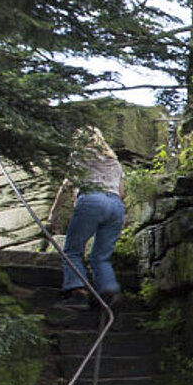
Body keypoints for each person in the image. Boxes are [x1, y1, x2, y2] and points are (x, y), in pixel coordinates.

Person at [47, 127, 125, 305]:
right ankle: (110, 290)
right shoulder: (114, 161)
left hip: (91, 200)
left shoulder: (80, 155)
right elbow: (121, 192)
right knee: (100, 256)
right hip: (115, 205)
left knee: (73, 250)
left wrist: (54, 212)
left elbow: (68, 183)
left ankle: (78, 290)